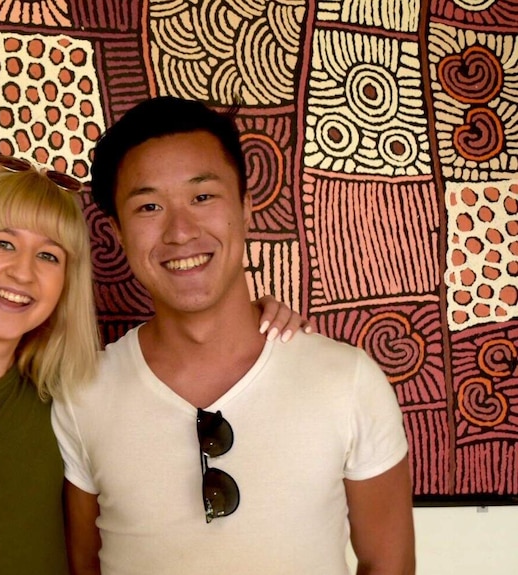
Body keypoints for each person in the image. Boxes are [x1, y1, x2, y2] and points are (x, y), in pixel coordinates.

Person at [0, 156, 308, 574]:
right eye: (3, 243)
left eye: (49, 256)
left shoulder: (72, 393)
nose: (23, 272)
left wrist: (256, 317)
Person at [52, 96, 416, 575]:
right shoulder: (83, 393)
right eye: (149, 206)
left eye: (202, 197)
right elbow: (84, 566)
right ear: (117, 232)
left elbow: (389, 564)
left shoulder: (346, 380)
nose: (180, 231)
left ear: (246, 206)